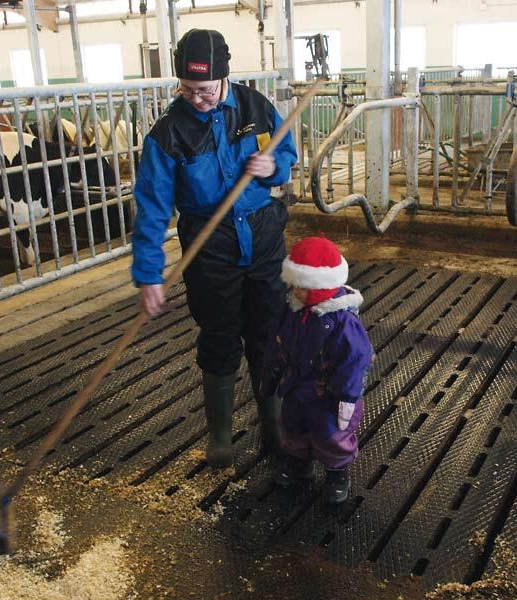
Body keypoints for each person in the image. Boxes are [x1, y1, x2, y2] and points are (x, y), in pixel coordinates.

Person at [131, 29, 298, 468]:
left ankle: (274, 427)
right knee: (220, 335)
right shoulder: (169, 133)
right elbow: (151, 208)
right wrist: (148, 274)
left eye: (204, 90)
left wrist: (271, 166)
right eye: (187, 90)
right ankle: (221, 436)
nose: (197, 99)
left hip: (262, 237)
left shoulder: (255, 108)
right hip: (209, 245)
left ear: (224, 77)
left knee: (269, 333)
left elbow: (286, 155)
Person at [260, 237, 374, 504]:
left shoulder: (343, 321)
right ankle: (300, 465)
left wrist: (347, 398)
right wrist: (272, 373)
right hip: (296, 386)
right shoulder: (293, 310)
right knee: (294, 426)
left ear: (321, 286)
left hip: (328, 393)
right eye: (294, 284)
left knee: (331, 434)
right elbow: (277, 341)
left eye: (303, 286)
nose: (295, 290)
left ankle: (336, 473)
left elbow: (354, 361)